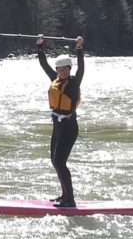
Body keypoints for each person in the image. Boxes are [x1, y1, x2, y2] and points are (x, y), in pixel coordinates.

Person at [36, 33, 85, 208]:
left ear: (69, 70)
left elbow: (81, 70)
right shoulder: (55, 80)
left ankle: (70, 200)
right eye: (59, 70)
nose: (61, 72)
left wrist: (79, 48)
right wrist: (40, 46)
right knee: (54, 161)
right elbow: (43, 64)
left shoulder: (73, 84)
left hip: (69, 127)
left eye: (64, 69)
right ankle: (64, 195)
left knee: (59, 162)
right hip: (57, 126)